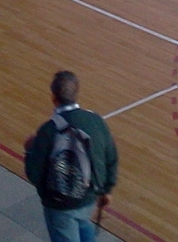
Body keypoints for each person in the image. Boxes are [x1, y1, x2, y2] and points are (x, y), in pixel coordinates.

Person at [24, 71, 118, 242]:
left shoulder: (48, 130)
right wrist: (107, 190)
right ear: (76, 94)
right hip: (88, 195)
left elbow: (34, 174)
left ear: (54, 98)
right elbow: (111, 157)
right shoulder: (95, 120)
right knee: (83, 222)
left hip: (59, 203)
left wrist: (29, 151)